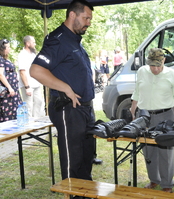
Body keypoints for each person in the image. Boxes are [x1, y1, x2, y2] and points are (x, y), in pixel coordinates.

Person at [30, 0, 96, 182]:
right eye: (86, 18)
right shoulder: (57, 39)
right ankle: (73, 194)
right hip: (69, 110)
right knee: (72, 163)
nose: (88, 22)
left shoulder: (75, 40)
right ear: (72, 15)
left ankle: (84, 194)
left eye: (90, 19)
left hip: (84, 109)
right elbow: (36, 70)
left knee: (86, 158)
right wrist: (65, 88)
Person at [130, 48, 174, 193]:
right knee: (148, 150)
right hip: (144, 116)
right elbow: (137, 92)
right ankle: (154, 179)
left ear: (164, 60)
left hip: (165, 116)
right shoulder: (141, 71)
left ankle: (167, 184)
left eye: (158, 65)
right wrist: (133, 111)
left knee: (165, 151)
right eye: (152, 65)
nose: (155, 69)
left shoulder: (172, 74)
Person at [18, 35, 45, 118]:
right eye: (33, 42)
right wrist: (27, 87)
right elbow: (22, 72)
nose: (35, 44)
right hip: (28, 85)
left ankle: (36, 124)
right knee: (29, 105)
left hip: (36, 83)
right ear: (28, 43)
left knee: (39, 102)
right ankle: (28, 127)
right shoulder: (22, 54)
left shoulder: (33, 54)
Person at [0, 39, 23, 122]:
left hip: (13, 88)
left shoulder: (5, 59)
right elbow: (1, 74)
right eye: (8, 47)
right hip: (7, 91)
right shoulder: (0, 59)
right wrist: (9, 88)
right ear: (2, 49)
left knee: (15, 110)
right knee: (8, 112)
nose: (9, 49)